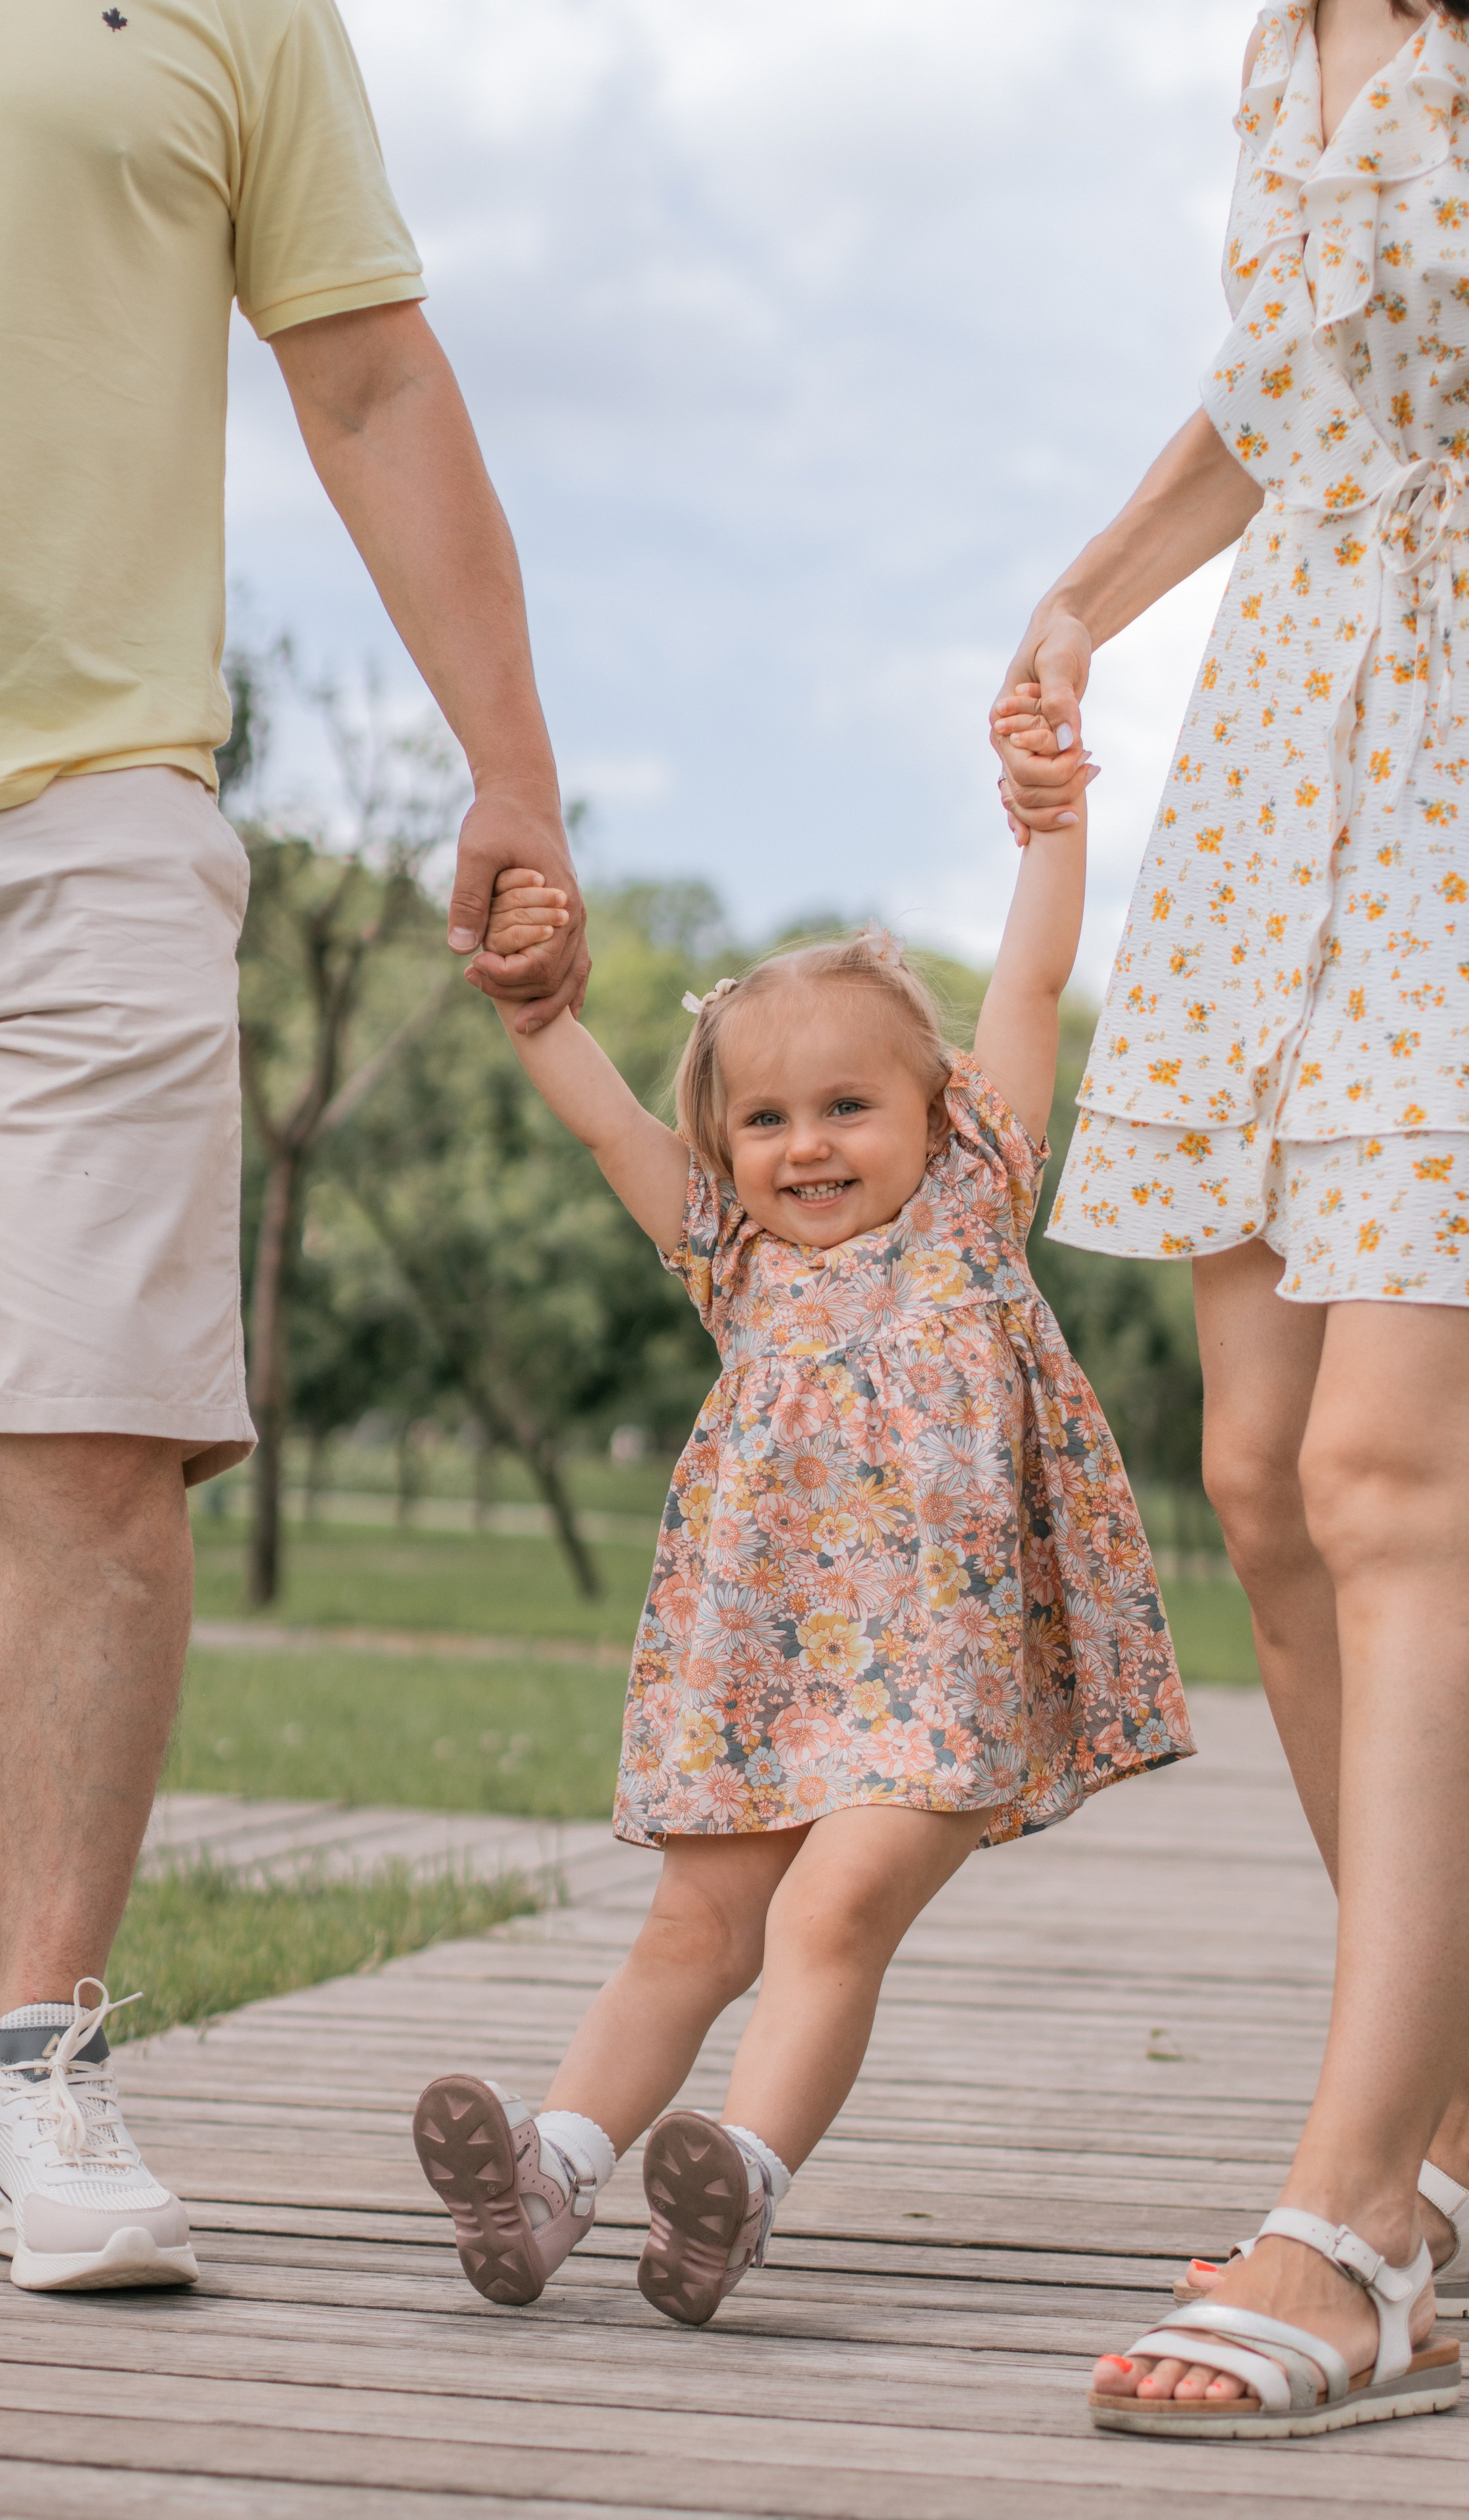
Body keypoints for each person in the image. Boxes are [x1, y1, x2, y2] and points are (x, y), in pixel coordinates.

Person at [992, 0, 1469, 2441]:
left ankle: (1360, 2218)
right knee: (1271, 1486)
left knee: (1403, 1475)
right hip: (1280, 773)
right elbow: (1278, 400)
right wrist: (1090, 594)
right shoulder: (1286, 58)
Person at [0, 0, 585, 2293]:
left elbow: (365, 375)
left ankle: (28, 2060)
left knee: (94, 1429)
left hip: (98, 806)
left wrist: (510, 761)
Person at [411, 796, 1193, 2326]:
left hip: (939, 1699)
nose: (806, 1146)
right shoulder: (736, 1265)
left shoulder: (975, 1212)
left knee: (825, 1921)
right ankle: (549, 2175)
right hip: (764, 1688)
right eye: (763, 1122)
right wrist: (533, 1018)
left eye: (846, 1107)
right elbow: (608, 1124)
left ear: (935, 1111)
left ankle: (735, 2186)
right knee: (693, 1930)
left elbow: (1030, 983)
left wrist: (1052, 825)